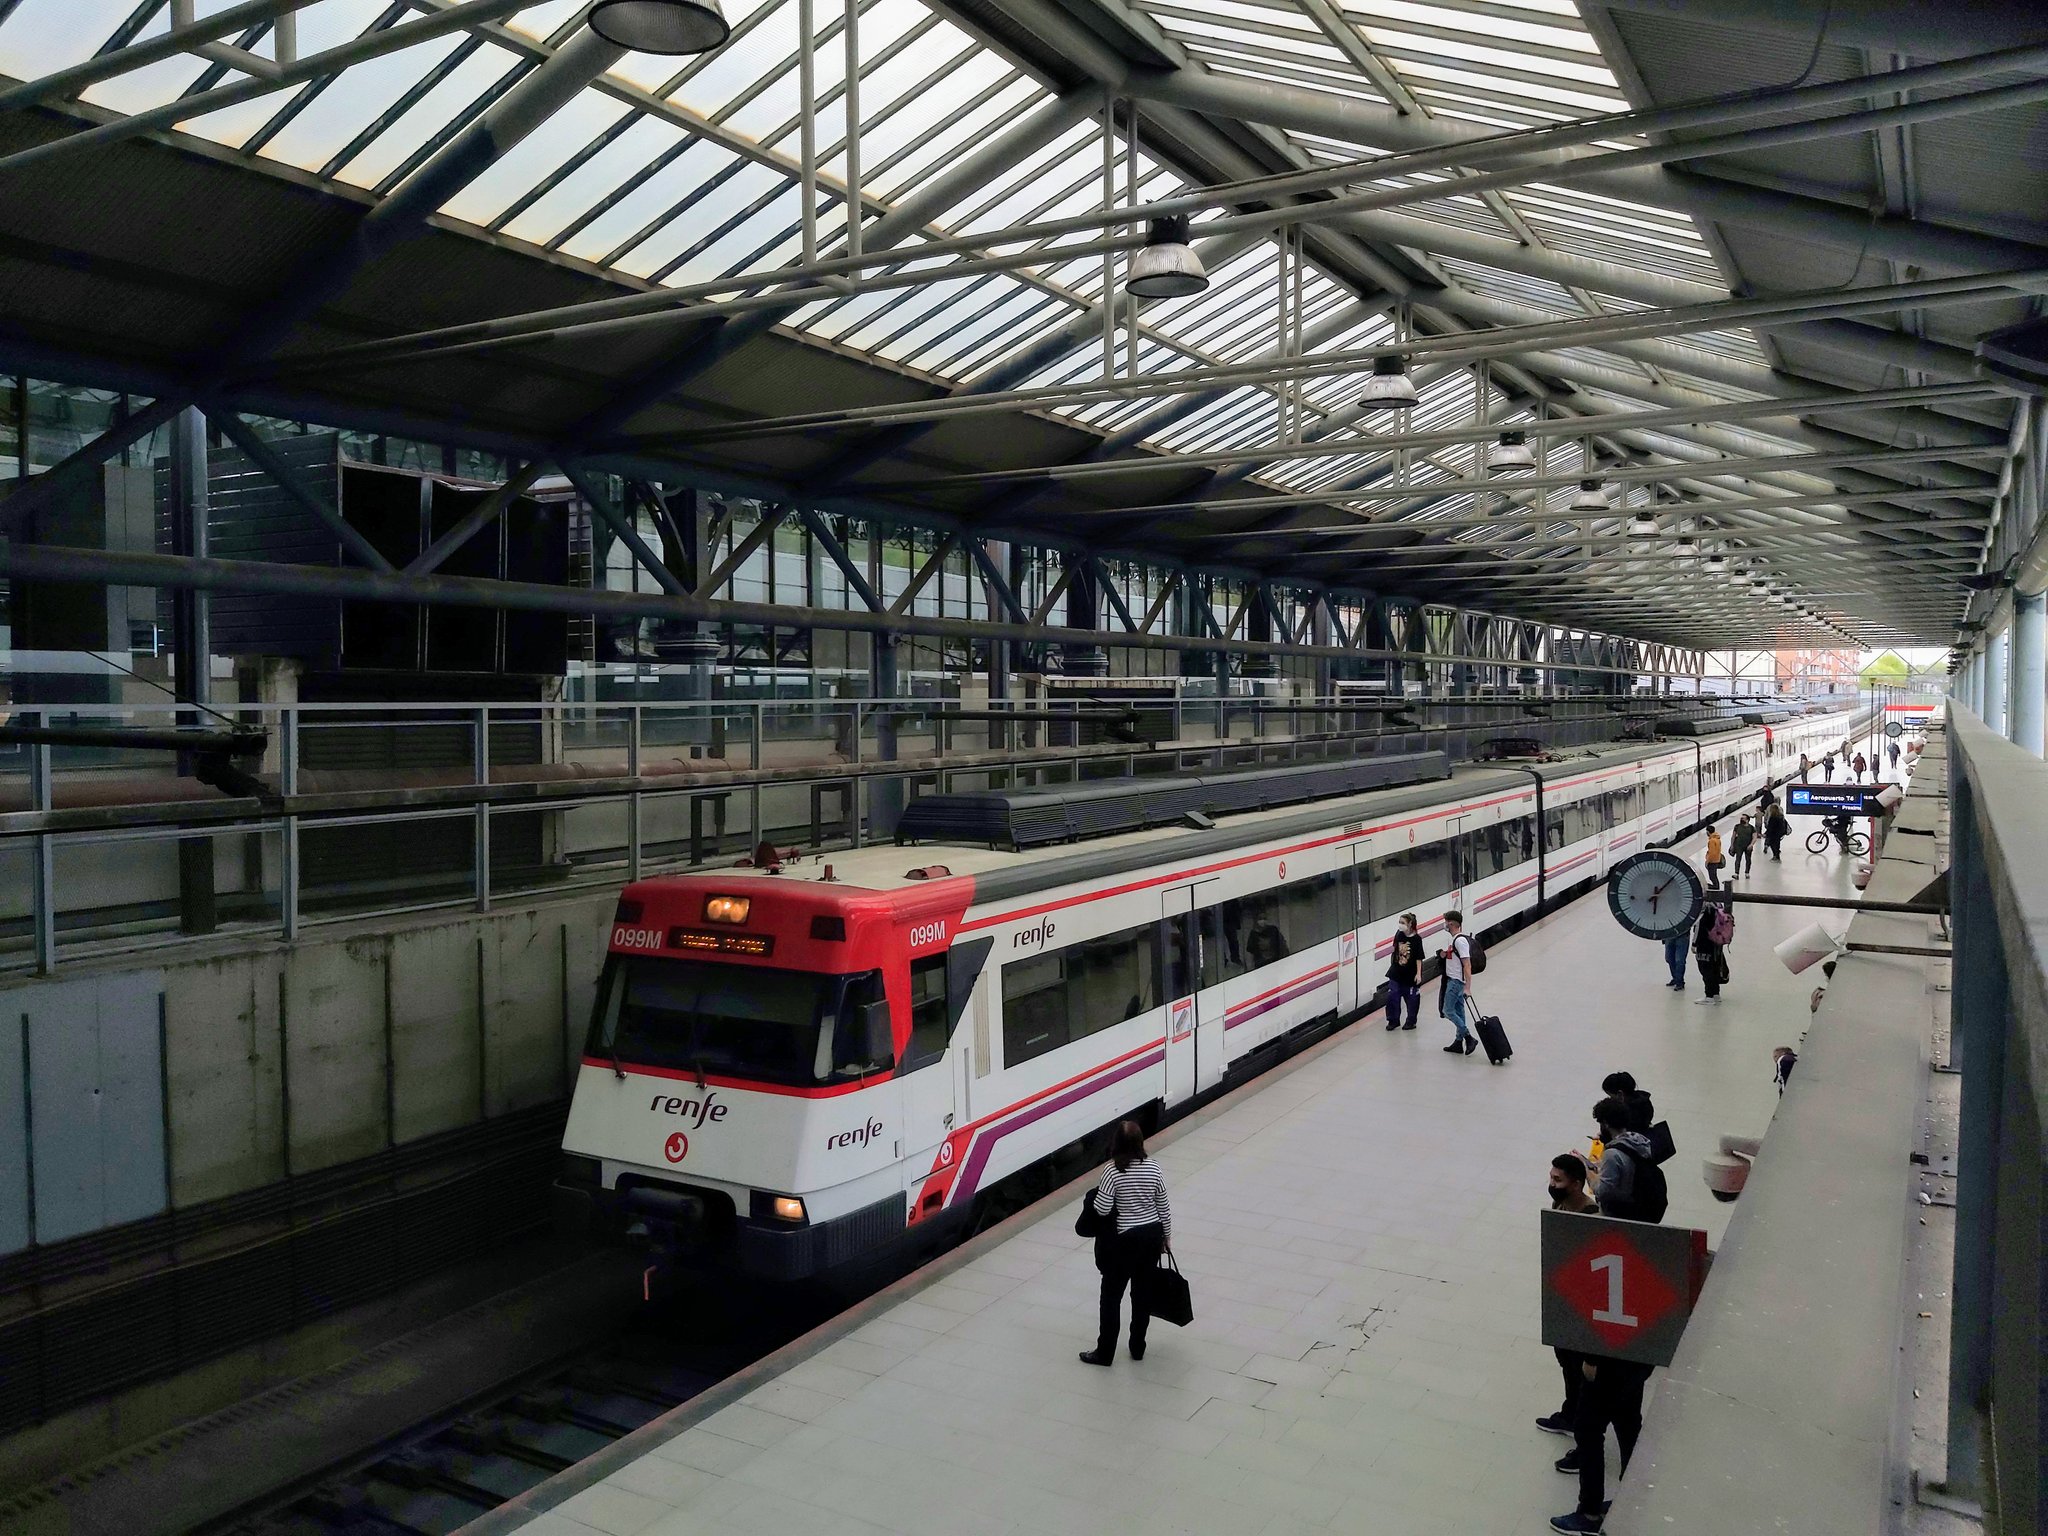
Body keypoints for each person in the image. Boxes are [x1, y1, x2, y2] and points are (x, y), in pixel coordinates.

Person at [1079, 1120, 1171, 1366]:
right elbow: (1163, 1206)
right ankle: (1138, 1347)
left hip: (1122, 1243)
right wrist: (1167, 1237)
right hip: (1151, 1237)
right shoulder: (1154, 1168)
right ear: (1140, 1142)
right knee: (1142, 1296)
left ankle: (1105, 1352)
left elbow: (1102, 1207)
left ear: (1115, 1144)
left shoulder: (1112, 1171)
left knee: (1111, 1298)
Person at [1537, 1153, 1600, 1439]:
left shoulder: (1591, 1217)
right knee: (1566, 1363)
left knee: (1579, 1368)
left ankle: (1581, 1421)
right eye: (1551, 1177)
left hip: (1582, 1305)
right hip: (1564, 1299)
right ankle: (1570, 1411)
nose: (1551, 1183)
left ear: (1576, 1184)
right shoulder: (1560, 1204)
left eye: (1557, 1179)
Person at [1439, 910, 1477, 1056]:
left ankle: (1468, 1037)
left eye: (1446, 922)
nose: (1445, 925)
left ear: (1452, 924)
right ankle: (1458, 1042)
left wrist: (1468, 987)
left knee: (1447, 1011)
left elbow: (1467, 965)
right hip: (1455, 981)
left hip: (1456, 982)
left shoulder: (1460, 941)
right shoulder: (1456, 940)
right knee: (1459, 1012)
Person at [1385, 913, 1422, 1032]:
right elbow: (1394, 950)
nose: (1400, 925)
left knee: (1411, 999)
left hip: (1410, 974)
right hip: (1396, 972)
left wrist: (1418, 974)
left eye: (1403, 923)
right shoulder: (1399, 935)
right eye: (1400, 922)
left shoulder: (1417, 939)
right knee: (1392, 996)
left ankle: (1411, 1021)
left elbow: (1419, 957)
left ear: (1410, 924)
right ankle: (1393, 1020)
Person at [1693, 898, 1727, 1006]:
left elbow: (1698, 926)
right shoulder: (1718, 905)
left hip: (1704, 943)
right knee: (1715, 966)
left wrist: (1694, 943)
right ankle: (1716, 994)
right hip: (1716, 942)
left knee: (1705, 969)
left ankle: (1709, 996)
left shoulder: (1703, 907)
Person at [1661, 924, 1688, 991]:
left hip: (1682, 934)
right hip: (1669, 934)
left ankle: (1679, 982)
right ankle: (1676, 978)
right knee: (1669, 958)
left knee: (1679, 960)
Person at [1729, 813, 1755, 880]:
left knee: (1748, 860)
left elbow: (1754, 837)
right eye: (1741, 818)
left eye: (1743, 818)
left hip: (1748, 846)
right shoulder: (1737, 826)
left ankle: (1747, 873)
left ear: (1747, 820)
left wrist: (1751, 844)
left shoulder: (1752, 828)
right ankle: (1736, 873)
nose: (1741, 819)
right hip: (1738, 846)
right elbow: (1733, 836)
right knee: (1738, 859)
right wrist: (1732, 845)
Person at [1702, 823, 1724, 890]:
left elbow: (1711, 852)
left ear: (1708, 832)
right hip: (1717, 859)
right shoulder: (1717, 839)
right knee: (1714, 875)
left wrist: (1707, 861)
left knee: (1712, 876)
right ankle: (1716, 886)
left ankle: (1715, 887)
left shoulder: (1711, 841)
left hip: (1712, 860)